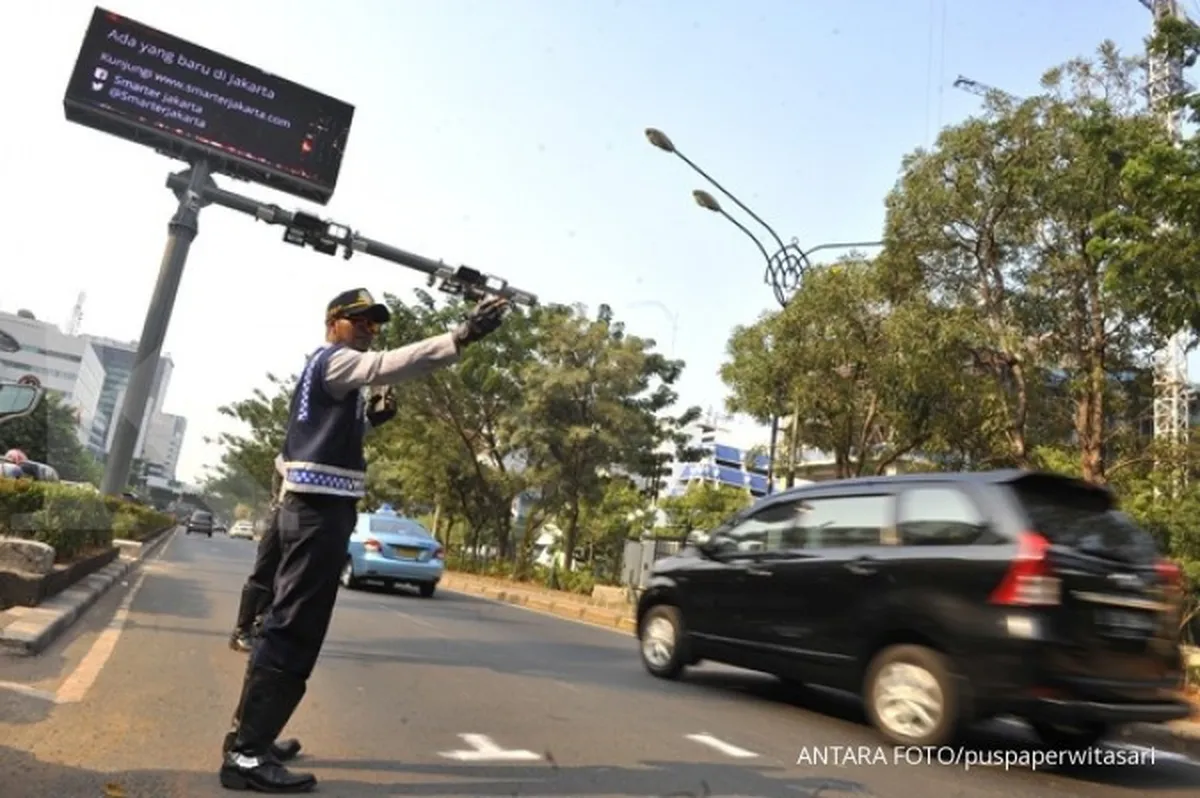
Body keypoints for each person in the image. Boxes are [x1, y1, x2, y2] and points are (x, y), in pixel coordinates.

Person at [219, 288, 510, 792]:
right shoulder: (335, 362)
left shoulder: (335, 380)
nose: (369, 331)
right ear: (333, 323)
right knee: (296, 627)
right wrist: (461, 336)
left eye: (375, 325)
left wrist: (369, 422)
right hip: (316, 514)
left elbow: (318, 439)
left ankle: (250, 738)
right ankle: (246, 755)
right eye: (360, 322)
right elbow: (391, 365)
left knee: (283, 623)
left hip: (306, 508)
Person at [228, 389, 397, 655]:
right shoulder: (308, 421)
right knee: (270, 566)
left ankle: (266, 625)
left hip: (312, 510)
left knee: (293, 572)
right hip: (290, 506)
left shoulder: (340, 429)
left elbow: (343, 439)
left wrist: (372, 421)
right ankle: (243, 629)